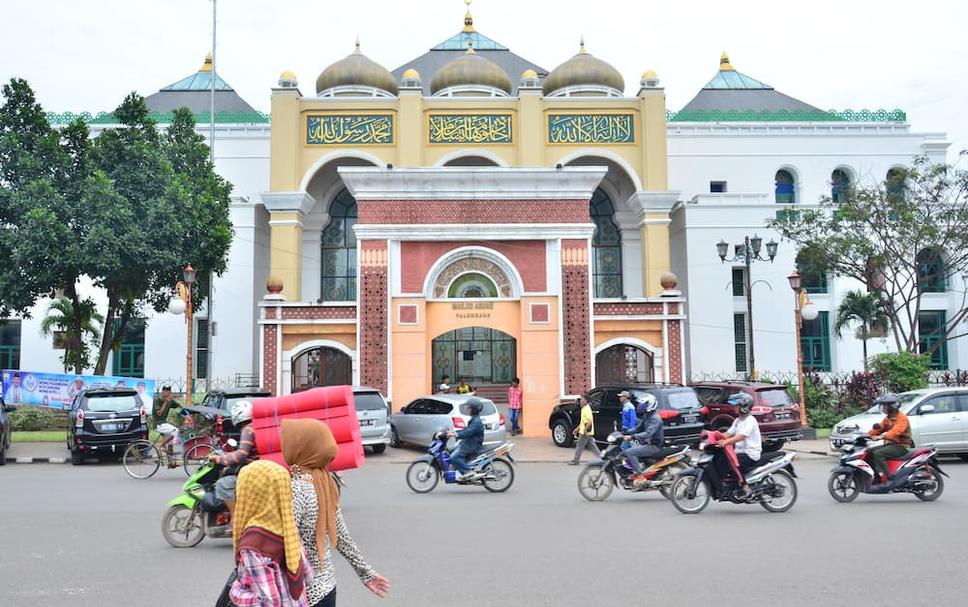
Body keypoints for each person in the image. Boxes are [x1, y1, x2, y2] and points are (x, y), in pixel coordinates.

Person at [282, 419, 390, 606]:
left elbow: (283, 542)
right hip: (326, 589)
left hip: (304, 594)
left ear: (301, 447)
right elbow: (342, 538)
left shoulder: (296, 489)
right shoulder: (324, 483)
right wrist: (366, 574)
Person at [229, 460, 313, 607]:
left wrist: (236, 592)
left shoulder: (253, 544)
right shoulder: (287, 527)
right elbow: (308, 575)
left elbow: (267, 602)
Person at [212, 400, 259, 516]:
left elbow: (242, 454)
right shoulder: (255, 426)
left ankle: (235, 518)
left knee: (222, 484)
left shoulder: (248, 430)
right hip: (256, 467)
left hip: (252, 470)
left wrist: (220, 459)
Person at [716, 392, 762, 495]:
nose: (734, 408)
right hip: (740, 452)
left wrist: (726, 442)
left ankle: (745, 486)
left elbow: (742, 436)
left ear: (745, 406)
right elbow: (728, 433)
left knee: (731, 462)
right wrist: (715, 437)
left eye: (737, 406)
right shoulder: (738, 420)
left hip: (750, 453)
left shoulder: (750, 420)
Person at [867, 393, 912, 484]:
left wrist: (881, 437)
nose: (883, 408)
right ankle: (876, 477)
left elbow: (895, 432)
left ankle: (888, 477)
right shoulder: (888, 418)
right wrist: (865, 435)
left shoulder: (902, 418)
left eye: (885, 406)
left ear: (892, 406)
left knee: (878, 453)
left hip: (902, 446)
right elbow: (879, 428)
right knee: (868, 452)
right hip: (891, 445)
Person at [622, 394, 663, 485]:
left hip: (654, 446)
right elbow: (637, 428)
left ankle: (641, 477)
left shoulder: (655, 419)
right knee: (625, 452)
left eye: (643, 405)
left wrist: (632, 436)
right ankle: (637, 470)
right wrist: (626, 432)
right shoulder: (647, 416)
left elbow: (648, 433)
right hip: (646, 444)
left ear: (650, 405)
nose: (640, 407)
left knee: (630, 452)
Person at [447, 397, 485, 480]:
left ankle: (468, 471)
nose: (467, 409)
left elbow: (467, 433)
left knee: (453, 457)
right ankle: (460, 469)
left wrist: (455, 434)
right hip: (469, 443)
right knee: (452, 450)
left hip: (472, 445)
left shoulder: (476, 422)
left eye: (469, 408)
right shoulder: (475, 419)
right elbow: (466, 430)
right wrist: (453, 432)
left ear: (473, 409)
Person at [568, 395, 601, 465]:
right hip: (586, 431)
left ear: (586, 401)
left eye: (582, 400)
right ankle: (601, 458)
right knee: (592, 446)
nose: (580, 401)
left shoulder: (587, 409)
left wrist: (585, 430)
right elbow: (583, 421)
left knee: (579, 445)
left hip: (585, 432)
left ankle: (576, 460)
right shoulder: (584, 408)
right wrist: (577, 429)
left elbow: (590, 421)